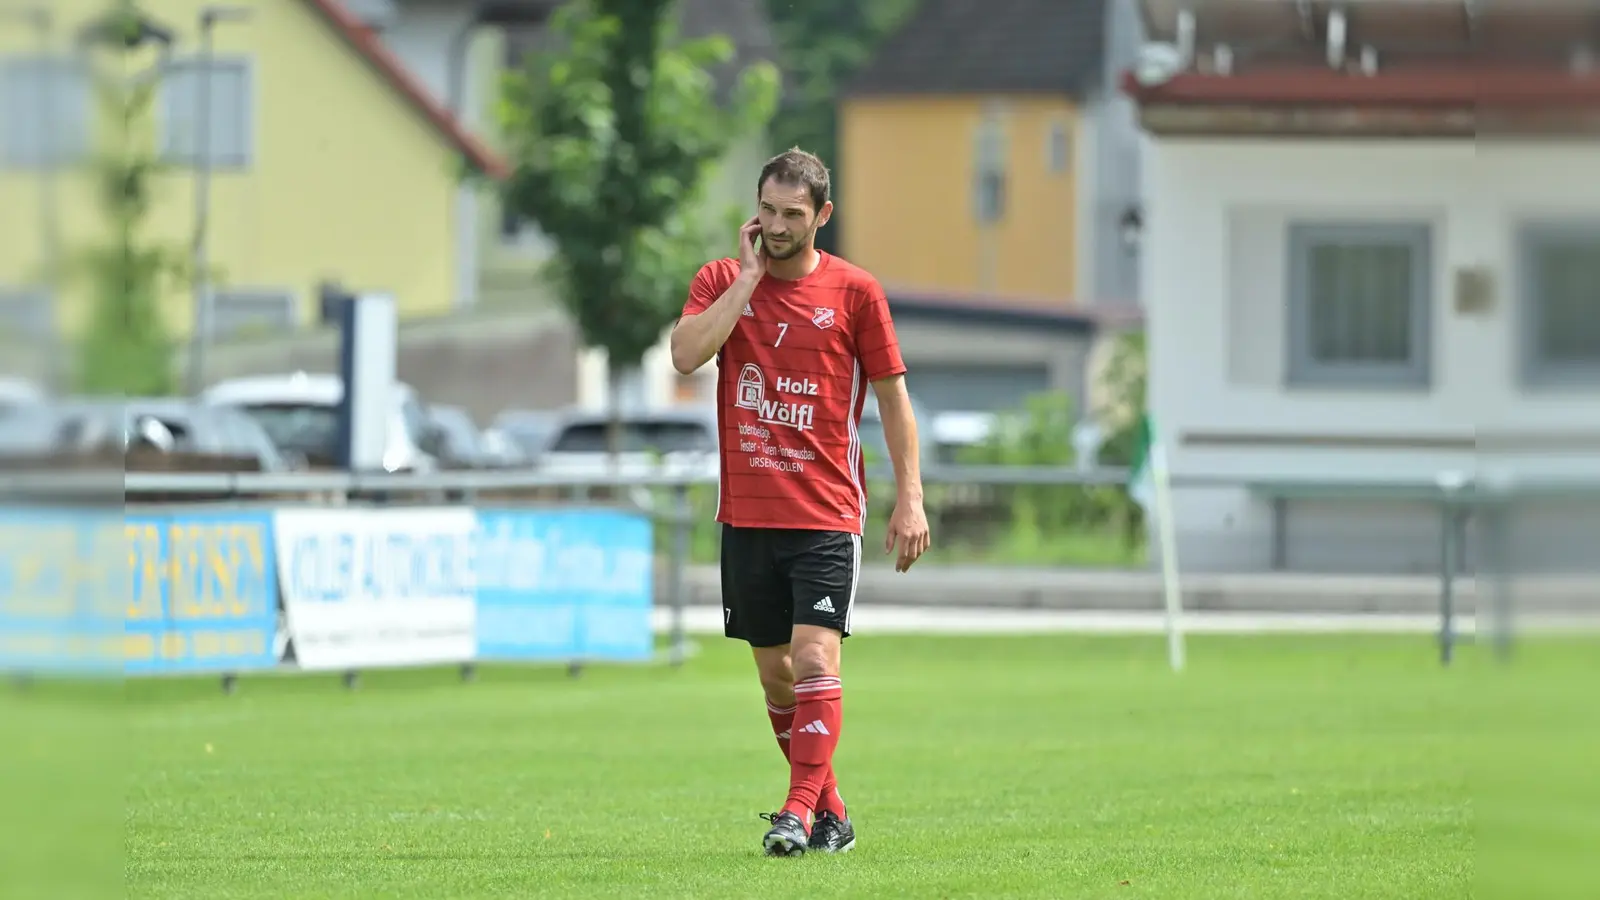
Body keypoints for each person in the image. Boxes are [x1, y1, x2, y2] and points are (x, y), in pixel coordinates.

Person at [669, 148, 931, 856]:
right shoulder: (722, 280)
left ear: (823, 215)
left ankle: (794, 812)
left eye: (793, 214)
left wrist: (910, 497)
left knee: (816, 659)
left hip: (825, 515)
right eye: (768, 212)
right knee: (776, 676)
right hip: (747, 517)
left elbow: (893, 399)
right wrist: (748, 282)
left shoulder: (855, 292)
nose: (778, 226)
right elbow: (686, 355)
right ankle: (832, 813)